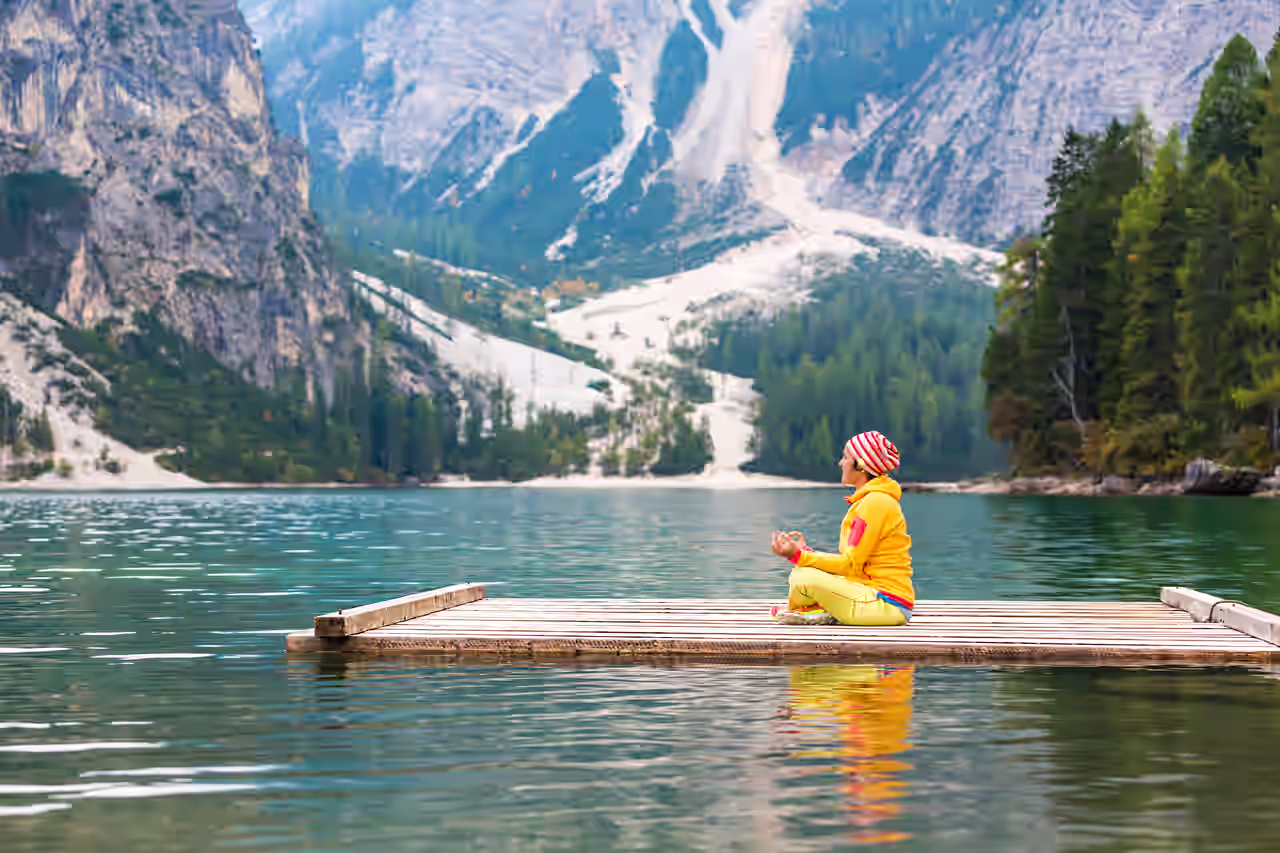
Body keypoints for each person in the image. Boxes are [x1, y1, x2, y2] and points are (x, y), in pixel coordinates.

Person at [769, 430, 914, 626]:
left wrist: (800, 555)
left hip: (887, 604)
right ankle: (815, 611)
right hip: (869, 594)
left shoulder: (875, 503)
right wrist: (806, 554)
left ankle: (814, 610)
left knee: (804, 577)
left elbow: (850, 564)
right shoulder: (871, 501)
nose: (840, 463)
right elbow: (853, 566)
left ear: (861, 465)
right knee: (802, 572)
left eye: (846, 457)